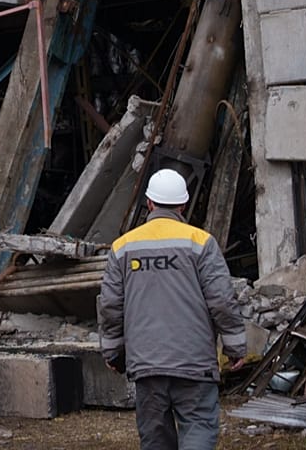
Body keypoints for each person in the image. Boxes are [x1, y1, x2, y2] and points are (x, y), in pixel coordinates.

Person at [98, 168, 247, 450]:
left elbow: (109, 306)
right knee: (199, 428)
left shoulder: (123, 247)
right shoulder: (201, 243)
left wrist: (113, 352)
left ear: (149, 203)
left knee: (155, 439)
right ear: (183, 205)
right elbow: (222, 300)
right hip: (194, 364)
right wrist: (235, 347)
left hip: (146, 365)